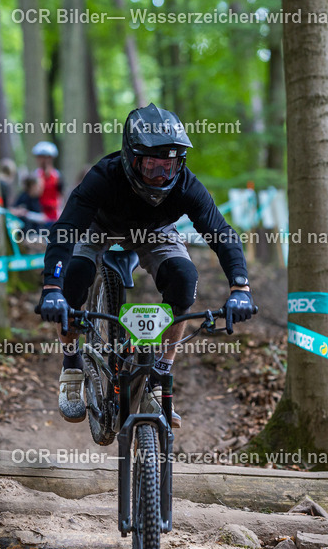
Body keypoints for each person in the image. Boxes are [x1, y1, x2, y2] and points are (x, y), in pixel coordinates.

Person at [36, 103, 254, 428]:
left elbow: (220, 232)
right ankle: (71, 365)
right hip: (99, 226)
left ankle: (160, 376)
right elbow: (66, 230)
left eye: (170, 166)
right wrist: (52, 288)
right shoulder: (104, 176)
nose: (161, 175)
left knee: (184, 279)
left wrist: (240, 288)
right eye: (152, 166)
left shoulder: (185, 184)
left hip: (155, 231)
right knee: (74, 277)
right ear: (132, 157)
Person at [31, 141, 63, 224]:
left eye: (45, 157)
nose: (42, 160)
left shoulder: (57, 176)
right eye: (39, 157)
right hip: (38, 214)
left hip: (54, 214)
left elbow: (60, 194)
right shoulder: (35, 175)